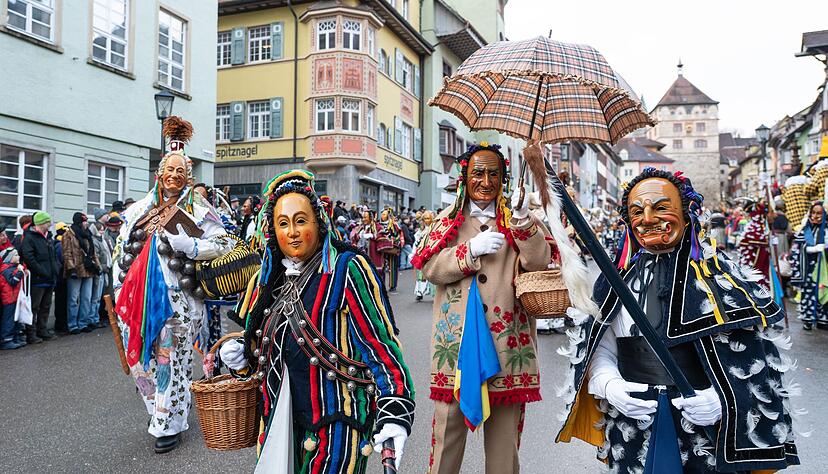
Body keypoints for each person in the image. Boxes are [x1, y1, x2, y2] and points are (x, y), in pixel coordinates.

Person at [556, 168, 800, 473]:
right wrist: (609, 384)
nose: (647, 219)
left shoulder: (723, 282)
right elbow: (601, 348)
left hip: (705, 432)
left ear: (687, 214)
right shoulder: (614, 282)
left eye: (660, 207)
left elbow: (755, 364)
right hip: (632, 427)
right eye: (636, 211)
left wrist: (720, 400)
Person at [219, 170, 414, 473]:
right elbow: (260, 358)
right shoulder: (265, 278)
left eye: (300, 221)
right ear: (272, 230)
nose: (292, 232)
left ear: (318, 223)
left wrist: (394, 410)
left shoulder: (348, 269)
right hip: (279, 422)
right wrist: (241, 359)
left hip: (338, 421)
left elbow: (380, 346)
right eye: (283, 223)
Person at [411, 142, 553, 473]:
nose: (486, 181)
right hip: (456, 348)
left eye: (494, 174)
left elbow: (540, 263)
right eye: (478, 173)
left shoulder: (520, 219)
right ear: (465, 177)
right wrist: (468, 251)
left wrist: (522, 222)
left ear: (504, 178)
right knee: (447, 439)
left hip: (507, 348)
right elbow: (428, 267)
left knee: (504, 452)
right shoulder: (448, 220)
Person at [113, 116, 235, 453]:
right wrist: (119, 290)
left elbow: (226, 243)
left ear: (189, 176)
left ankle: (169, 422)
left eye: (181, 172)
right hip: (135, 300)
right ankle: (158, 409)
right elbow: (120, 252)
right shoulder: (138, 210)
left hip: (179, 300)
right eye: (170, 170)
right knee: (141, 361)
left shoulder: (201, 210)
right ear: (159, 173)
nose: (174, 176)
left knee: (170, 359)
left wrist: (193, 247)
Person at [19, 211, 59, 343]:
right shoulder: (30, 237)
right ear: (42, 223)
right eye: (48, 222)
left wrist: (55, 269)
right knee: (34, 307)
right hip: (38, 279)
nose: (50, 225)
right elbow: (29, 257)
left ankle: (42, 330)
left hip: (49, 278)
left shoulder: (48, 237)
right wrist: (41, 271)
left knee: (46, 306)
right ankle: (31, 334)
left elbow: (53, 257)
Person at [789, 201, 828, 330]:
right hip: (808, 268)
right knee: (809, 293)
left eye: (819, 213)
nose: (816, 216)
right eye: (814, 213)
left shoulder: (826, 228)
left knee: (823, 292)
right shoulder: (805, 229)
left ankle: (822, 319)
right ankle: (808, 319)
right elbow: (797, 248)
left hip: (824, 268)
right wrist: (812, 249)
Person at [62, 212, 100, 334]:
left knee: (86, 298)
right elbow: (67, 253)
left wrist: (97, 266)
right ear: (79, 222)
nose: (86, 223)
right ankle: (72, 325)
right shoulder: (68, 234)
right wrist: (71, 268)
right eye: (84, 221)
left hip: (88, 269)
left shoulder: (88, 234)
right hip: (75, 270)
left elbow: (92, 252)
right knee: (73, 299)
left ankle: (83, 323)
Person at [738, 200, 770, 287]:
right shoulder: (753, 226)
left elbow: (757, 240)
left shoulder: (757, 226)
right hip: (750, 259)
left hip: (756, 259)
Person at [0, 247, 25, 350]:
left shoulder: (13, 268)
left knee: (16, 319)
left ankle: (15, 337)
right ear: (9, 258)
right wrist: (19, 273)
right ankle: (6, 339)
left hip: (15, 298)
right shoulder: (6, 269)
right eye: (15, 255)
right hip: (9, 299)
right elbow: (13, 281)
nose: (18, 256)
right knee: (9, 319)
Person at [377, 209, 403, 292]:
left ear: (388, 215)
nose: (382, 216)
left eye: (384, 214)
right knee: (381, 267)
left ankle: (393, 285)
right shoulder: (378, 225)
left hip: (391, 249)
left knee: (392, 268)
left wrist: (392, 240)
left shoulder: (394, 225)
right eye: (382, 214)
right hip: (382, 250)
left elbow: (399, 236)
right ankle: (382, 284)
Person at [413, 210, 436, 301]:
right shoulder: (420, 231)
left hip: (431, 253)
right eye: (425, 218)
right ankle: (420, 292)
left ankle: (435, 294)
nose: (426, 220)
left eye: (428, 218)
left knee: (432, 273)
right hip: (421, 254)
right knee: (420, 274)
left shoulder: (435, 228)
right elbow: (416, 242)